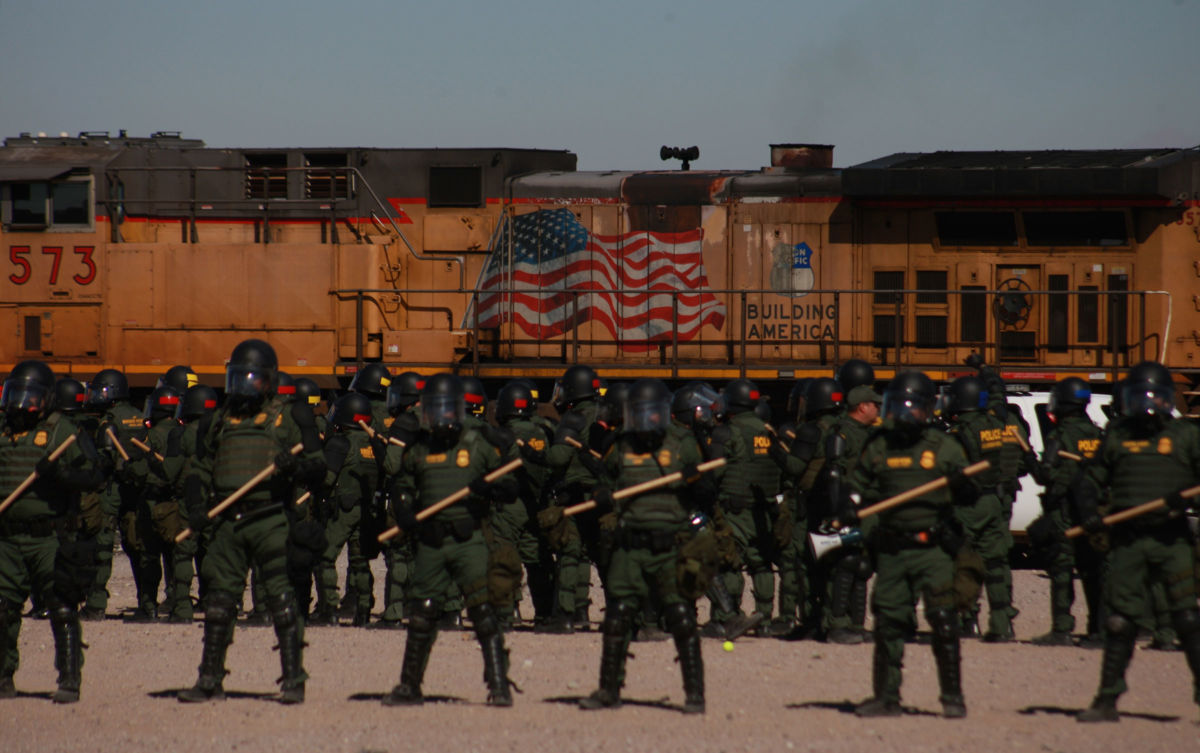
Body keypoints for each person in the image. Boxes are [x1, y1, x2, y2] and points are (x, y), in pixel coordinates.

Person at [178, 339, 325, 704]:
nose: (245, 387)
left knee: (281, 600)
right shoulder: (219, 420)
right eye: (238, 379)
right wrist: (196, 505)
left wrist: (296, 468)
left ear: (269, 381)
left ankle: (293, 680)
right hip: (228, 521)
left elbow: (320, 468)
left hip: (271, 518)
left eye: (252, 379)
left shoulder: (289, 416)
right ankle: (210, 679)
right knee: (218, 604)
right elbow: (199, 469)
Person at [1073, 361, 1200, 722]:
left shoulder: (1186, 436)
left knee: (1188, 618)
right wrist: (1089, 512)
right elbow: (1091, 478)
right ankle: (1107, 700)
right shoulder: (1116, 435)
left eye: (1154, 398)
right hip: (1129, 540)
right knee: (1119, 622)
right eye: (1138, 398)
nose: (1146, 406)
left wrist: (1187, 498)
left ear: (1166, 401)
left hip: (1171, 537)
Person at [579, 379, 713, 713]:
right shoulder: (621, 446)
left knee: (681, 617)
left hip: (669, 545)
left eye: (652, 414)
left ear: (663, 414)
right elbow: (604, 481)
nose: (647, 422)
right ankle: (609, 690)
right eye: (640, 415)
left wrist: (697, 481)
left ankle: (694, 694)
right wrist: (601, 496)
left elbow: (708, 493)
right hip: (630, 545)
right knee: (618, 617)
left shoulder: (683, 444)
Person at [382, 374, 517, 706]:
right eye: (435, 410)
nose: (441, 417)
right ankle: (409, 686)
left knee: (483, 611)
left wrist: (492, 487)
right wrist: (404, 512)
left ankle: (499, 686)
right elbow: (401, 485)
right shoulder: (420, 447)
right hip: (431, 542)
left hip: (467, 538)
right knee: (421, 614)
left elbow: (512, 485)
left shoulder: (477, 443)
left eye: (447, 410)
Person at [846, 371, 973, 719]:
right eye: (897, 406)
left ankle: (952, 697)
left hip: (932, 548)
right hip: (893, 549)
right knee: (888, 621)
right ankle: (886, 697)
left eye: (912, 407)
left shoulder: (943, 446)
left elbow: (968, 493)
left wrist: (962, 484)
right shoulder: (879, 445)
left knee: (944, 620)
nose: (905, 414)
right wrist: (851, 504)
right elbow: (858, 487)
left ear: (927, 410)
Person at [0, 361, 100, 703]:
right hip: (8, 538)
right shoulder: (3, 431)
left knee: (61, 606)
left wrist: (59, 475)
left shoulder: (63, 432)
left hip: (48, 537)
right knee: (3, 608)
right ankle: (3, 677)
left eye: (30, 398)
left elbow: (94, 475)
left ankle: (69, 678)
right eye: (16, 396)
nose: (22, 405)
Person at [1026, 377, 1104, 646]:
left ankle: (1062, 628)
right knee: (1092, 570)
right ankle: (1097, 629)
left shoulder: (1059, 436)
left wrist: (1030, 461)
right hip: (1092, 510)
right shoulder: (1096, 433)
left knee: (1061, 570)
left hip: (1065, 511)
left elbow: (1045, 475)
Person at [942, 375, 1014, 641]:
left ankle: (966, 618)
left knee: (963, 562)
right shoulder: (998, 425)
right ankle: (1001, 624)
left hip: (967, 503)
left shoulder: (960, 433)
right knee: (995, 563)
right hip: (995, 500)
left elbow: (953, 469)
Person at [821, 383, 883, 644]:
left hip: (868, 508)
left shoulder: (870, 433)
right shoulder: (842, 433)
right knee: (845, 565)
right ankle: (837, 624)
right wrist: (838, 513)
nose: (878, 408)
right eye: (875, 404)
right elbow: (833, 474)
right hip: (847, 508)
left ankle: (857, 625)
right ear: (862, 407)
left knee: (863, 566)